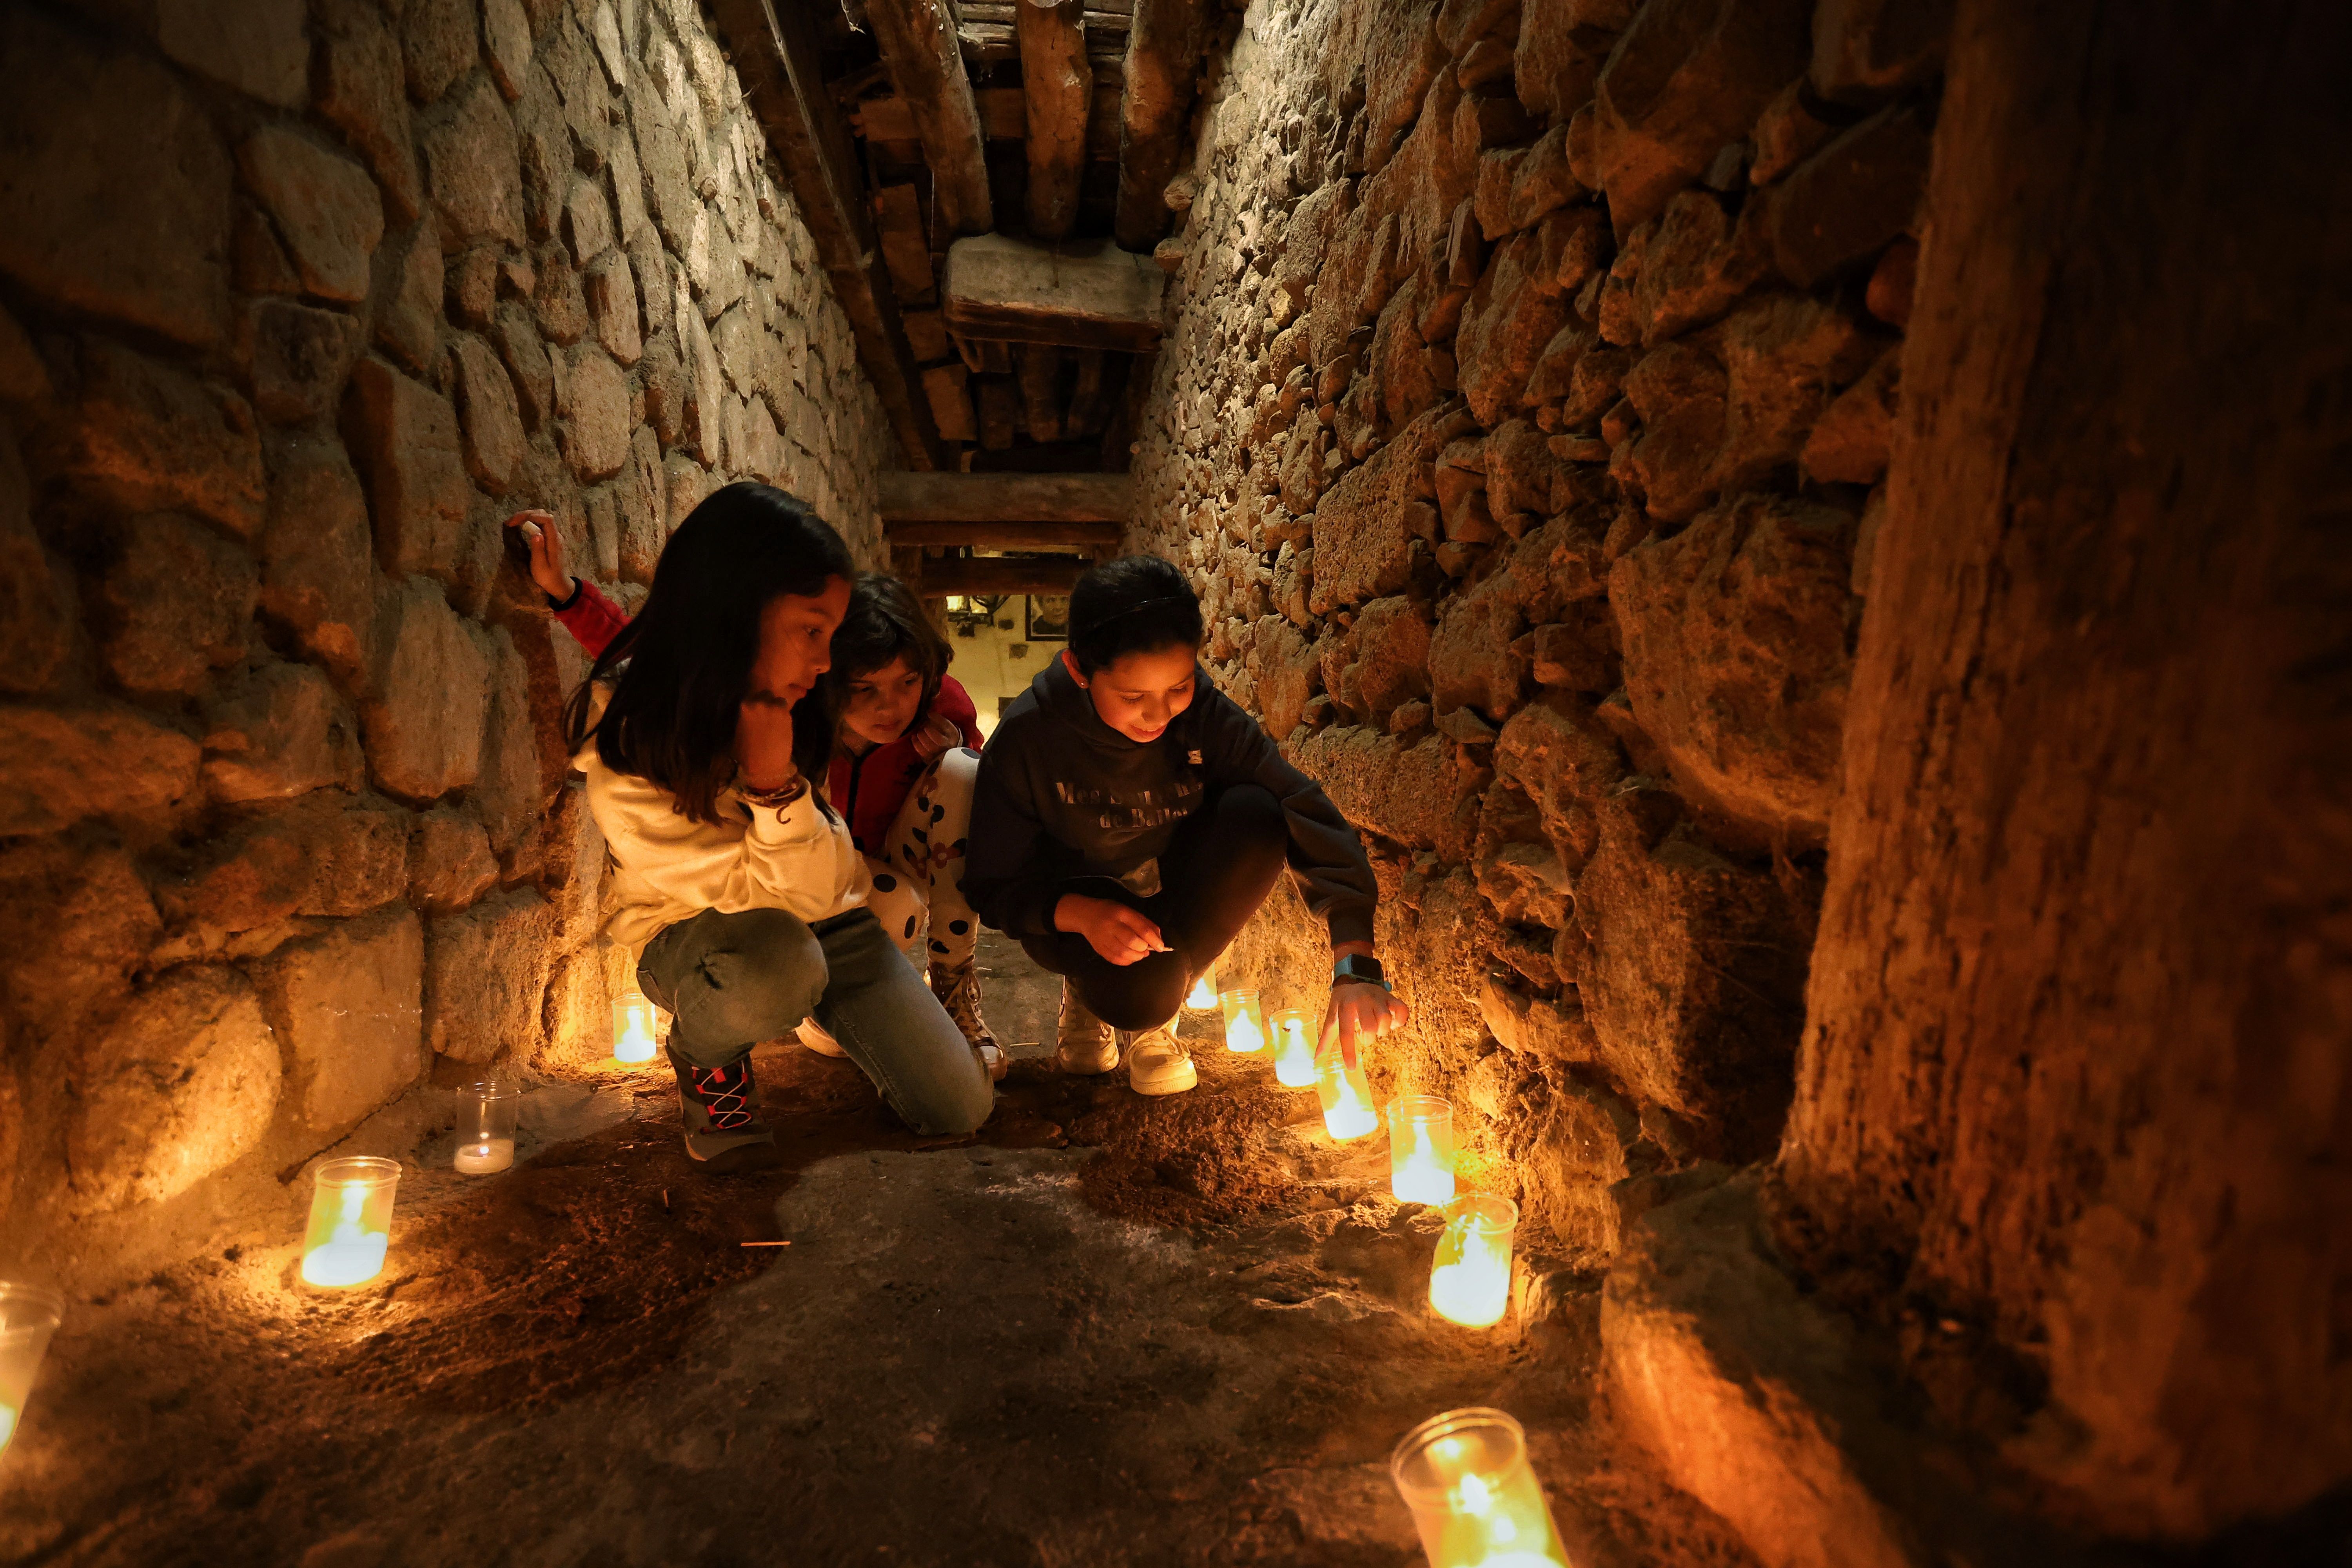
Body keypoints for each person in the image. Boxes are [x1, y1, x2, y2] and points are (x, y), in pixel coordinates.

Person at [560, 484, 994, 1170]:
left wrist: (783, 788)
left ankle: (826, 1002)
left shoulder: (792, 705)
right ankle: (706, 1055)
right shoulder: (632, 749)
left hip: (822, 913)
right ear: (738, 613)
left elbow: (826, 890)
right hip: (699, 933)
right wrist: (773, 791)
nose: (826, 663)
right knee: (782, 962)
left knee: (959, 1105)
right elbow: (773, 899)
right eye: (812, 632)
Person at [963, 554, 1410, 1096]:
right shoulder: (1027, 739)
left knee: (1259, 812)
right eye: (1134, 698)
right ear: (1079, 670)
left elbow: (1297, 801)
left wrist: (1354, 961)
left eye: (1177, 687)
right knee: (1134, 994)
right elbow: (992, 885)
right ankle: (1085, 994)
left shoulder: (1202, 716)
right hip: (1072, 909)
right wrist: (1082, 915)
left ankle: (1160, 1013)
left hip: (1168, 894)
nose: (1158, 715)